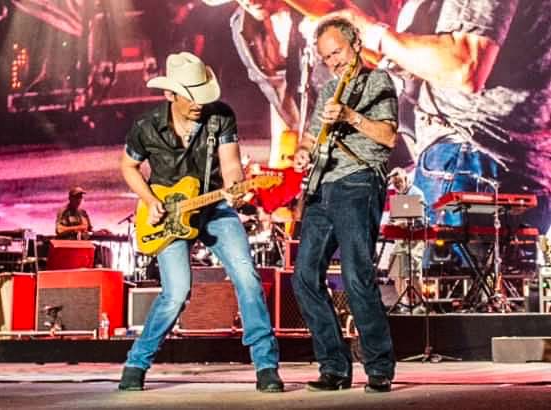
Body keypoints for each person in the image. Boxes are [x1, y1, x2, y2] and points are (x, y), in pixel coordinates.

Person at [118, 51, 283, 392]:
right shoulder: (146, 126)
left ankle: (266, 366)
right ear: (169, 94)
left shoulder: (220, 118)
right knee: (177, 292)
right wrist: (151, 201)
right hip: (168, 215)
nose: (198, 103)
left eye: (201, 94)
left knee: (247, 277)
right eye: (190, 95)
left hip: (214, 207)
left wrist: (238, 189)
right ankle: (136, 362)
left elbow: (231, 166)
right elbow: (128, 167)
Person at [332, 0, 551, 235]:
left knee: (449, 270)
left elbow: (464, 65)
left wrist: (372, 32)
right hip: (521, 168)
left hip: (471, 161)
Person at [292, 17, 397, 393]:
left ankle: (379, 366)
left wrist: (351, 117)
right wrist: (303, 154)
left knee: (356, 276)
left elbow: (386, 137)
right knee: (304, 277)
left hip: (358, 182)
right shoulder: (328, 90)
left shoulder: (378, 81)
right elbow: (309, 139)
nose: (332, 61)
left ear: (354, 43)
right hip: (322, 187)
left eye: (336, 52)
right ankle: (334, 367)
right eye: (325, 57)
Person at [386, 167, 426, 313]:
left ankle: (419, 304)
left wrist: (406, 222)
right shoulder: (396, 196)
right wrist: (394, 223)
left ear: (405, 178)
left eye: (398, 182)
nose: (396, 186)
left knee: (414, 271)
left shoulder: (416, 193)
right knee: (397, 270)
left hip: (415, 239)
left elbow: (421, 221)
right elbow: (393, 218)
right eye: (394, 183)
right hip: (400, 239)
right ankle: (404, 303)